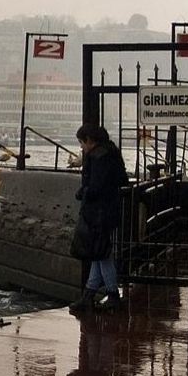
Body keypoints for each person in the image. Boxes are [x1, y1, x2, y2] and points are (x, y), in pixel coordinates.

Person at [70, 123, 128, 313]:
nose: (82, 148)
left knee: (102, 255)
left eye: (81, 143)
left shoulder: (98, 157)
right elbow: (121, 180)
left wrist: (82, 192)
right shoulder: (112, 152)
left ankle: (112, 295)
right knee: (98, 252)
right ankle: (88, 295)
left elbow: (95, 187)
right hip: (110, 209)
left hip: (98, 213)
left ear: (89, 140)